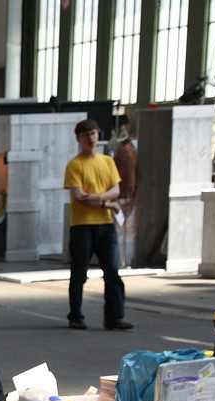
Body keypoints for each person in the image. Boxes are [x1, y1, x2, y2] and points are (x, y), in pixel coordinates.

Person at [64, 119, 132, 331]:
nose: (91, 138)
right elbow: (79, 196)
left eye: (94, 134)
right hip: (82, 225)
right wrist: (106, 203)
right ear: (79, 139)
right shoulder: (75, 165)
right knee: (79, 273)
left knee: (112, 271)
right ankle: (76, 316)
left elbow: (116, 190)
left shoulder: (107, 161)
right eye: (86, 135)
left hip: (105, 226)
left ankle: (114, 317)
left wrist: (102, 199)